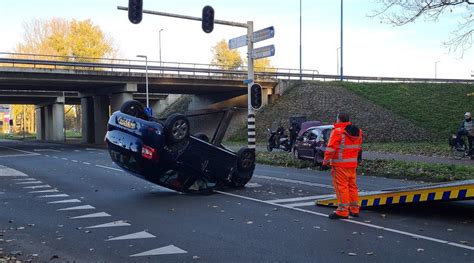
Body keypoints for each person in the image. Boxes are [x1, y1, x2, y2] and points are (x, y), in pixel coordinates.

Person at [322, 112, 363, 219]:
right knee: (352, 187)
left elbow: (331, 148)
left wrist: (325, 162)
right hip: (352, 164)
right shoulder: (357, 131)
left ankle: (342, 211)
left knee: (341, 188)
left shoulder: (337, 132)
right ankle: (354, 209)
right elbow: (358, 148)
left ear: (339, 119)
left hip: (340, 165)